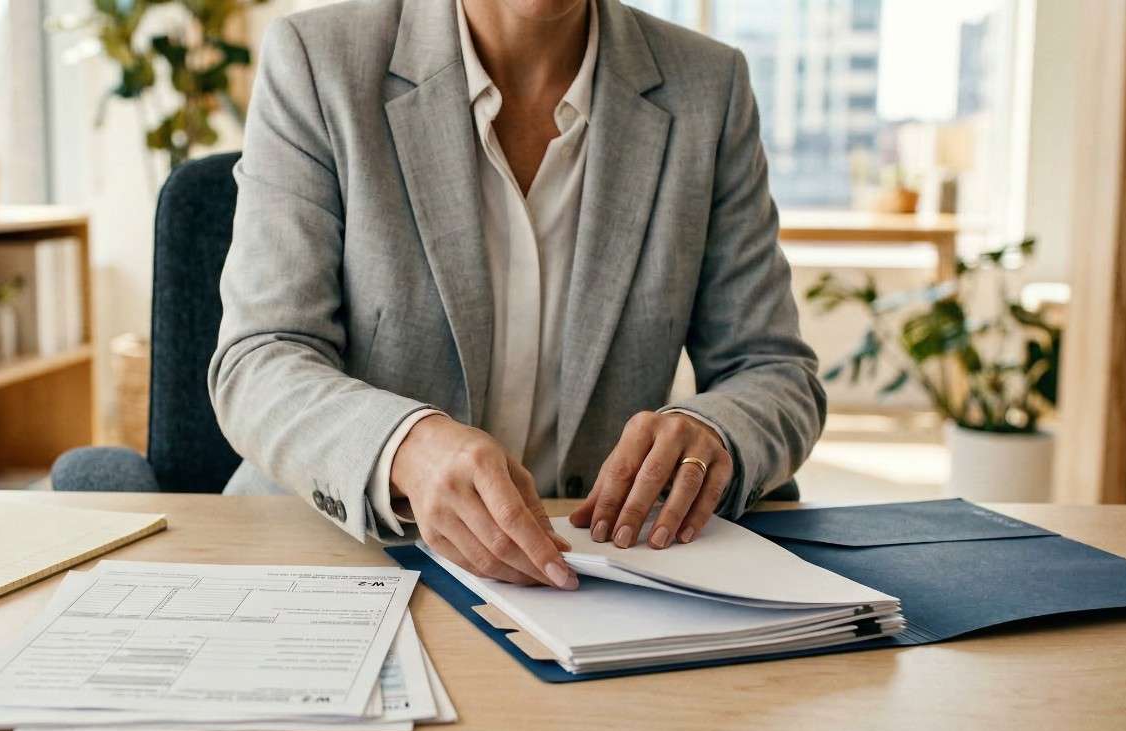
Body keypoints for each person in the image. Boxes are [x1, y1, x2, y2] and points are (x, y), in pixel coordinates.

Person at [209, 0, 825, 590]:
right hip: (340, 559)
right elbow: (260, 358)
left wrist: (711, 430)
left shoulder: (709, 87)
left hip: (597, 575)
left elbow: (773, 371)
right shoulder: (318, 61)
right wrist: (405, 446)